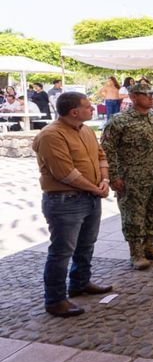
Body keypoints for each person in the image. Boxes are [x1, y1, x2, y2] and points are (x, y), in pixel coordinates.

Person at [32, 92, 113, 317]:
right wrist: (94, 188)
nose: (93, 109)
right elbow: (65, 172)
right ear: (74, 111)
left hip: (89, 197)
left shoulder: (86, 130)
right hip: (64, 200)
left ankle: (80, 283)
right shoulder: (51, 135)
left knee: (86, 244)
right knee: (62, 251)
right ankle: (55, 300)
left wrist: (104, 180)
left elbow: (100, 156)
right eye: (88, 107)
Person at [100, 83, 153, 270]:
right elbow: (107, 150)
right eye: (146, 95)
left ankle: (149, 246)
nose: (151, 98)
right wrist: (113, 176)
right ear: (133, 97)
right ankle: (136, 253)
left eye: (152, 94)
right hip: (132, 179)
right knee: (134, 216)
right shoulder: (119, 121)